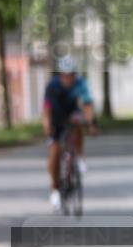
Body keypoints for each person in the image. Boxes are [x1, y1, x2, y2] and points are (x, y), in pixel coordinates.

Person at [42, 56, 98, 213]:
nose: (68, 78)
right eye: (65, 75)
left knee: (78, 123)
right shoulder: (52, 86)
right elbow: (46, 109)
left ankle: (79, 157)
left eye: (71, 75)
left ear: (75, 74)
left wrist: (92, 124)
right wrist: (47, 125)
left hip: (72, 113)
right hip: (56, 117)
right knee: (54, 153)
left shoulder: (80, 83)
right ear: (60, 75)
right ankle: (55, 191)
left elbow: (87, 104)